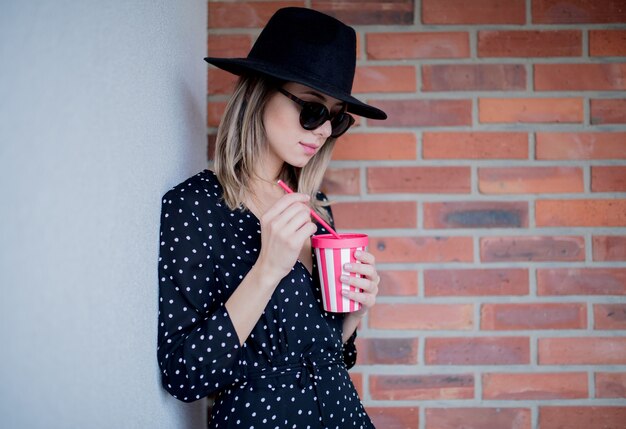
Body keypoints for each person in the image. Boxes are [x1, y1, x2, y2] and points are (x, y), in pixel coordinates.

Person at [157, 7, 387, 428]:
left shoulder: (314, 204)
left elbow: (322, 360)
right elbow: (185, 375)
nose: (321, 131)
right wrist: (267, 269)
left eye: (335, 119)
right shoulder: (197, 205)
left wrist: (352, 317)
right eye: (312, 109)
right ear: (261, 92)